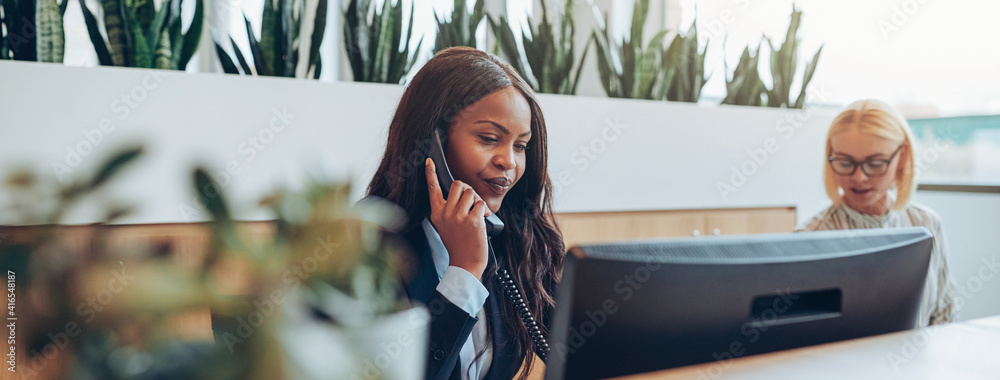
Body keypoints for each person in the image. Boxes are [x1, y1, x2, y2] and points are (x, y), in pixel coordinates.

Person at [366, 47, 564, 380]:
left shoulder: (512, 237)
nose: (509, 162)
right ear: (432, 143)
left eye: (520, 145)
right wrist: (466, 269)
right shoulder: (369, 239)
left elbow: (580, 347)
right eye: (489, 139)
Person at [796, 99, 956, 326]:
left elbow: (944, 313)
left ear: (901, 158)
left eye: (875, 163)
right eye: (844, 162)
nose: (859, 177)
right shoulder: (809, 239)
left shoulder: (927, 223)